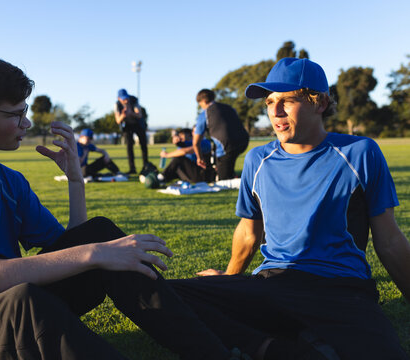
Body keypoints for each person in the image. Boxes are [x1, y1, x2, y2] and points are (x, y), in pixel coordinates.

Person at [0, 50, 238, 360]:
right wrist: (96, 253)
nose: (27, 122)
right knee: (26, 299)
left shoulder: (8, 181)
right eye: (16, 114)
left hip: (0, 311)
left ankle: (217, 353)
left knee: (98, 234)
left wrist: (76, 182)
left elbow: (74, 252)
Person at [168, 58, 410, 359]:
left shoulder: (360, 153)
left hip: (340, 290)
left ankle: (286, 341)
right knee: (169, 296)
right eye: (270, 102)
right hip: (272, 285)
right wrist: (229, 280)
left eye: (287, 101)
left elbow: (389, 240)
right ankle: (276, 348)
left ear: (320, 102)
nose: (275, 112)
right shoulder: (257, 161)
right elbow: (247, 233)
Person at [193, 89, 249, 180]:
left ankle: (242, 182)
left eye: (200, 104)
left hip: (226, 146)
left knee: (224, 180)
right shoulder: (228, 107)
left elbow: (196, 142)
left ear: (203, 101)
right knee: (228, 168)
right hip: (243, 141)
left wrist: (199, 158)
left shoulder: (204, 114)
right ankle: (233, 175)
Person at [114, 88, 148, 174]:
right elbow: (118, 120)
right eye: (123, 98)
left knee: (143, 145)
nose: (125, 100)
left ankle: (146, 166)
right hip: (127, 126)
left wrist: (131, 113)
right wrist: (123, 115)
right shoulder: (117, 105)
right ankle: (132, 168)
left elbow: (139, 114)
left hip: (138, 124)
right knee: (129, 146)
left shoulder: (134, 100)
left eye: (126, 98)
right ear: (119, 98)